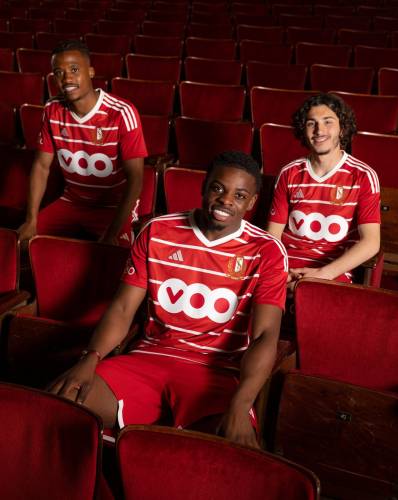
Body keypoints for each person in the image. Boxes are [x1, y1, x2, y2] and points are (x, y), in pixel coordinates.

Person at [48, 151, 288, 448]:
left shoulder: (267, 251)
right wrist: (90, 357)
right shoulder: (157, 231)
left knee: (229, 451)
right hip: (148, 359)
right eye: (218, 188)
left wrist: (241, 404)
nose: (226, 200)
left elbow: (265, 335)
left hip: (215, 374)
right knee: (60, 404)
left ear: (251, 202)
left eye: (239, 195)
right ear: (204, 187)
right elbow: (122, 308)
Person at [18, 40, 147, 246]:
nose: (67, 78)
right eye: (59, 72)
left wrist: (112, 234)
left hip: (113, 206)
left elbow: (136, 179)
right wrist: (31, 219)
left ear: (91, 72)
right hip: (72, 202)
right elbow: (41, 166)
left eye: (74, 69)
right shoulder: (52, 109)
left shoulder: (122, 112)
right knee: (23, 243)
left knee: (113, 257)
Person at [267, 93, 380, 289]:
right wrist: (280, 272)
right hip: (286, 269)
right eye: (311, 123)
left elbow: (371, 242)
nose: (319, 130)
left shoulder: (363, 176)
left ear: (342, 128)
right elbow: (272, 236)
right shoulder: (289, 173)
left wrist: (323, 274)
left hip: (333, 272)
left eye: (328, 122)